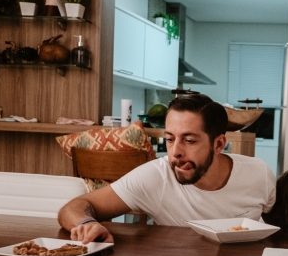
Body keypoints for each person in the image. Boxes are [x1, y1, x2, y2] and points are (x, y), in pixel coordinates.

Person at [59, 94, 275, 243]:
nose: (176, 152)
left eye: (189, 140)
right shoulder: (156, 176)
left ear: (218, 144)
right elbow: (74, 207)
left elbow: (285, 229)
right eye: (170, 139)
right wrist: (88, 224)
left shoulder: (259, 174)